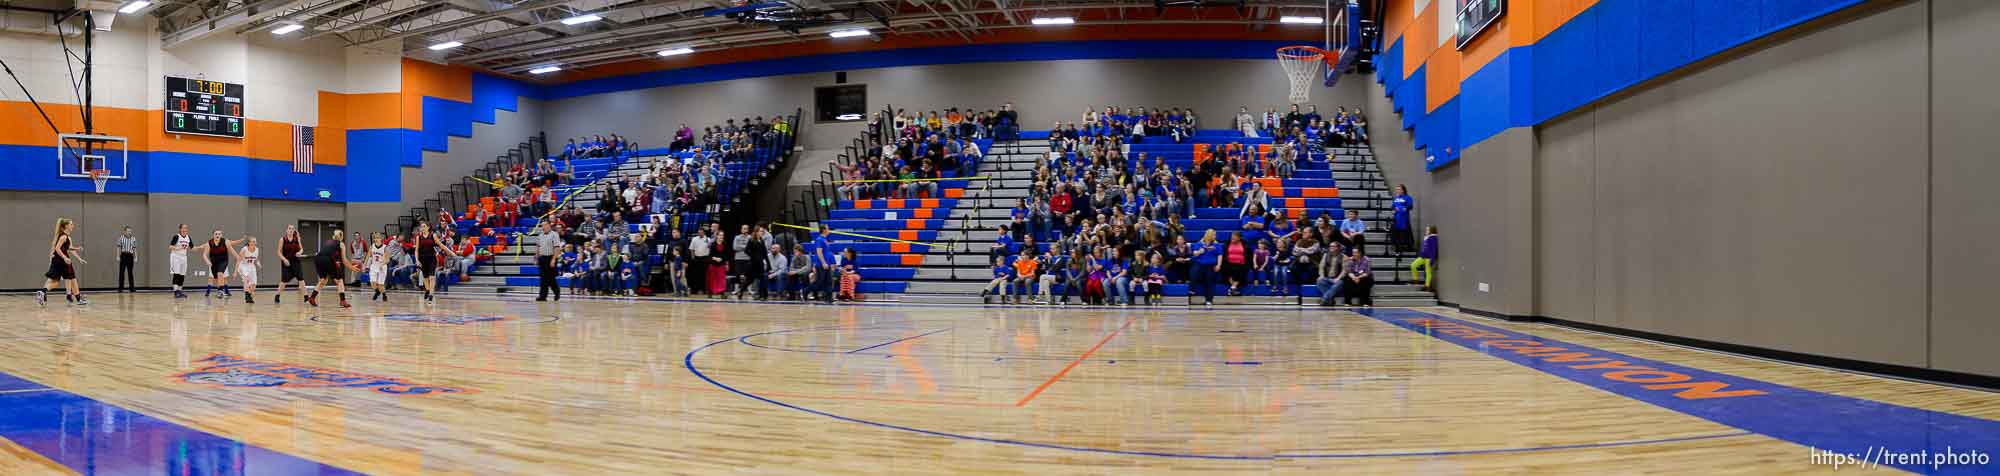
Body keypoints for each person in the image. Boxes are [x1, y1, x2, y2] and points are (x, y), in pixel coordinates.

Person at [38, 218, 87, 306]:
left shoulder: (66, 237)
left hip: (58, 260)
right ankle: (78, 299)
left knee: (56, 281)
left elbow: (67, 248)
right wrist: (64, 257)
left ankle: (43, 292)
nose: (73, 226)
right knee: (72, 278)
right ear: (66, 226)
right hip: (62, 261)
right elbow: (57, 248)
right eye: (71, 224)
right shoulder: (64, 236)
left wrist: (77, 251)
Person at [191, 230, 243, 300]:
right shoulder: (209, 243)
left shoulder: (225, 242)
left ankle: (220, 291)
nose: (217, 235)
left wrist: (237, 257)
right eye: (216, 234)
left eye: (219, 234)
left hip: (223, 261)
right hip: (213, 263)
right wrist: (207, 261)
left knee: (220, 273)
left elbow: (232, 250)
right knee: (216, 279)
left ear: (221, 235)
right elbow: (204, 255)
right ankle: (219, 289)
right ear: (213, 235)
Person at [308, 229, 353, 308]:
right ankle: (343, 301)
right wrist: (352, 267)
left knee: (323, 280)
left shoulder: (328, 242)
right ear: (341, 236)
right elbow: (344, 260)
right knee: (339, 280)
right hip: (327, 259)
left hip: (318, 259)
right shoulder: (341, 244)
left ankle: (312, 298)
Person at [535, 223, 564, 301]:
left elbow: (557, 248)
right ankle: (543, 296)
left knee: (550, 278)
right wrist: (536, 258)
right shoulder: (540, 235)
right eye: (542, 226)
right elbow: (538, 247)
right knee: (543, 278)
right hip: (542, 258)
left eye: (545, 225)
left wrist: (554, 259)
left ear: (549, 226)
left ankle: (556, 292)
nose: (544, 227)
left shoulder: (554, 235)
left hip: (551, 257)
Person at [1190, 230, 1220, 306]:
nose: (1215, 236)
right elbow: (1194, 253)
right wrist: (1200, 252)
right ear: (1209, 235)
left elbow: (1220, 255)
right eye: (1214, 235)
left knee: (1209, 281)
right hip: (1200, 264)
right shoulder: (1199, 243)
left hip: (1211, 265)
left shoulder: (1216, 244)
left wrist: (1218, 265)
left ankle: (1209, 299)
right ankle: (1192, 289)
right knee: (1194, 272)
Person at [276, 225, 304, 304]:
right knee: (284, 281)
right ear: (286, 230)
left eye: (292, 229)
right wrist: (284, 259)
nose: (291, 230)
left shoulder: (297, 239)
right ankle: (277, 295)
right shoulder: (282, 239)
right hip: (286, 262)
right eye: (289, 228)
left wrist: (299, 252)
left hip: (296, 261)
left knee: (301, 279)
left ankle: (306, 296)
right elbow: (278, 252)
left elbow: (302, 249)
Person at [1315, 241, 1346, 306]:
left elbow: (1344, 270)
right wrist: (1322, 275)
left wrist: (1338, 278)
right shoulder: (1326, 255)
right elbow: (1321, 266)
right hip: (1327, 278)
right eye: (1330, 246)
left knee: (1339, 283)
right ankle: (1329, 299)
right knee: (1319, 280)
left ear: (1338, 248)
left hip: (1338, 279)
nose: (1331, 248)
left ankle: (1324, 299)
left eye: (1333, 246)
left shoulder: (1343, 257)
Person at [1391, 185, 1416, 254]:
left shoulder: (1407, 197)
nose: (1397, 191)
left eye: (1399, 189)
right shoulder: (1396, 198)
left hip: (1404, 219)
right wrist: (1393, 210)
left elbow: (1410, 206)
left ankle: (1408, 247)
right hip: (1396, 219)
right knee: (1396, 234)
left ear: (1403, 190)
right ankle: (1397, 247)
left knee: (1406, 234)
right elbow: (1393, 207)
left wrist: (1404, 208)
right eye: (1396, 189)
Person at [1412, 226, 1439, 292]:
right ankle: (1415, 279)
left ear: (1431, 231)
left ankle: (1427, 286)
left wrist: (1432, 259)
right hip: (1423, 256)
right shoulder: (1427, 238)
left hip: (1429, 258)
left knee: (1428, 272)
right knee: (1413, 265)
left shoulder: (1433, 238)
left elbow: (1433, 250)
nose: (1426, 231)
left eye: (1427, 230)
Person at [367, 232, 390, 302]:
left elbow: (388, 260)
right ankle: (377, 292)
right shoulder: (372, 246)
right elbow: (368, 257)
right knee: (372, 283)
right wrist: (365, 265)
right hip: (374, 266)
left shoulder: (385, 248)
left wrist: (382, 264)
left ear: (381, 239)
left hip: (382, 267)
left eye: (378, 238)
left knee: (380, 285)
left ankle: (384, 294)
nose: (376, 239)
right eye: (375, 238)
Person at [236, 237, 260, 304]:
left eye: (255, 241)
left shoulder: (257, 249)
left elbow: (256, 259)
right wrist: (235, 271)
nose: (254, 243)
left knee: (253, 285)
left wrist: (258, 263)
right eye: (252, 241)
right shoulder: (244, 249)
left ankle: (248, 295)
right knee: (246, 280)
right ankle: (247, 296)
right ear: (249, 243)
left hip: (252, 266)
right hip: (243, 266)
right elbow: (238, 260)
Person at [115, 226, 138, 293]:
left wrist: (136, 257)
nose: (129, 232)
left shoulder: (133, 238)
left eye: (130, 231)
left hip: (130, 256)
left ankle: (132, 288)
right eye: (128, 231)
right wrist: (118, 256)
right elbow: (118, 247)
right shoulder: (121, 238)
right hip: (123, 255)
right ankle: (120, 288)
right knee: (121, 272)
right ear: (124, 231)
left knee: (130, 272)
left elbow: (134, 248)